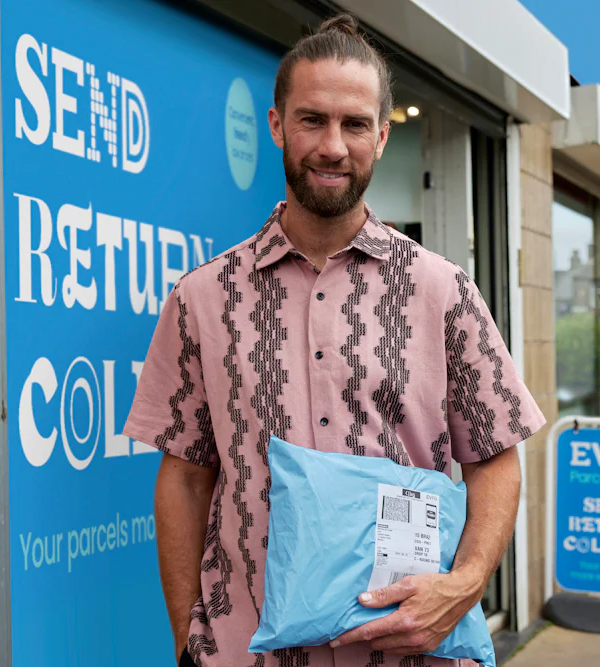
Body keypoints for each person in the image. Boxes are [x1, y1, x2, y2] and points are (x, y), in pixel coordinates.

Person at [124, 13, 545, 667]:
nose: (332, 145)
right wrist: (189, 640)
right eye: (312, 119)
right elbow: (183, 476)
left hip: (412, 652)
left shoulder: (443, 290)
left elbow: (496, 456)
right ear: (276, 125)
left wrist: (464, 587)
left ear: (381, 135)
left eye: (353, 125)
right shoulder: (202, 296)